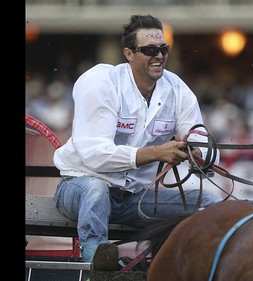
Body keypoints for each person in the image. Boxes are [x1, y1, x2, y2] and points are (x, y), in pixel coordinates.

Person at [52, 14, 222, 270]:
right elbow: (95, 156)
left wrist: (196, 152)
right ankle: (95, 267)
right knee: (96, 189)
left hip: (135, 199)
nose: (159, 56)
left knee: (209, 201)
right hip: (78, 188)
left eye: (163, 49)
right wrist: (157, 153)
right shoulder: (101, 82)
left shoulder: (177, 88)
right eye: (150, 50)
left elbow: (207, 150)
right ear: (129, 54)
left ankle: (204, 266)